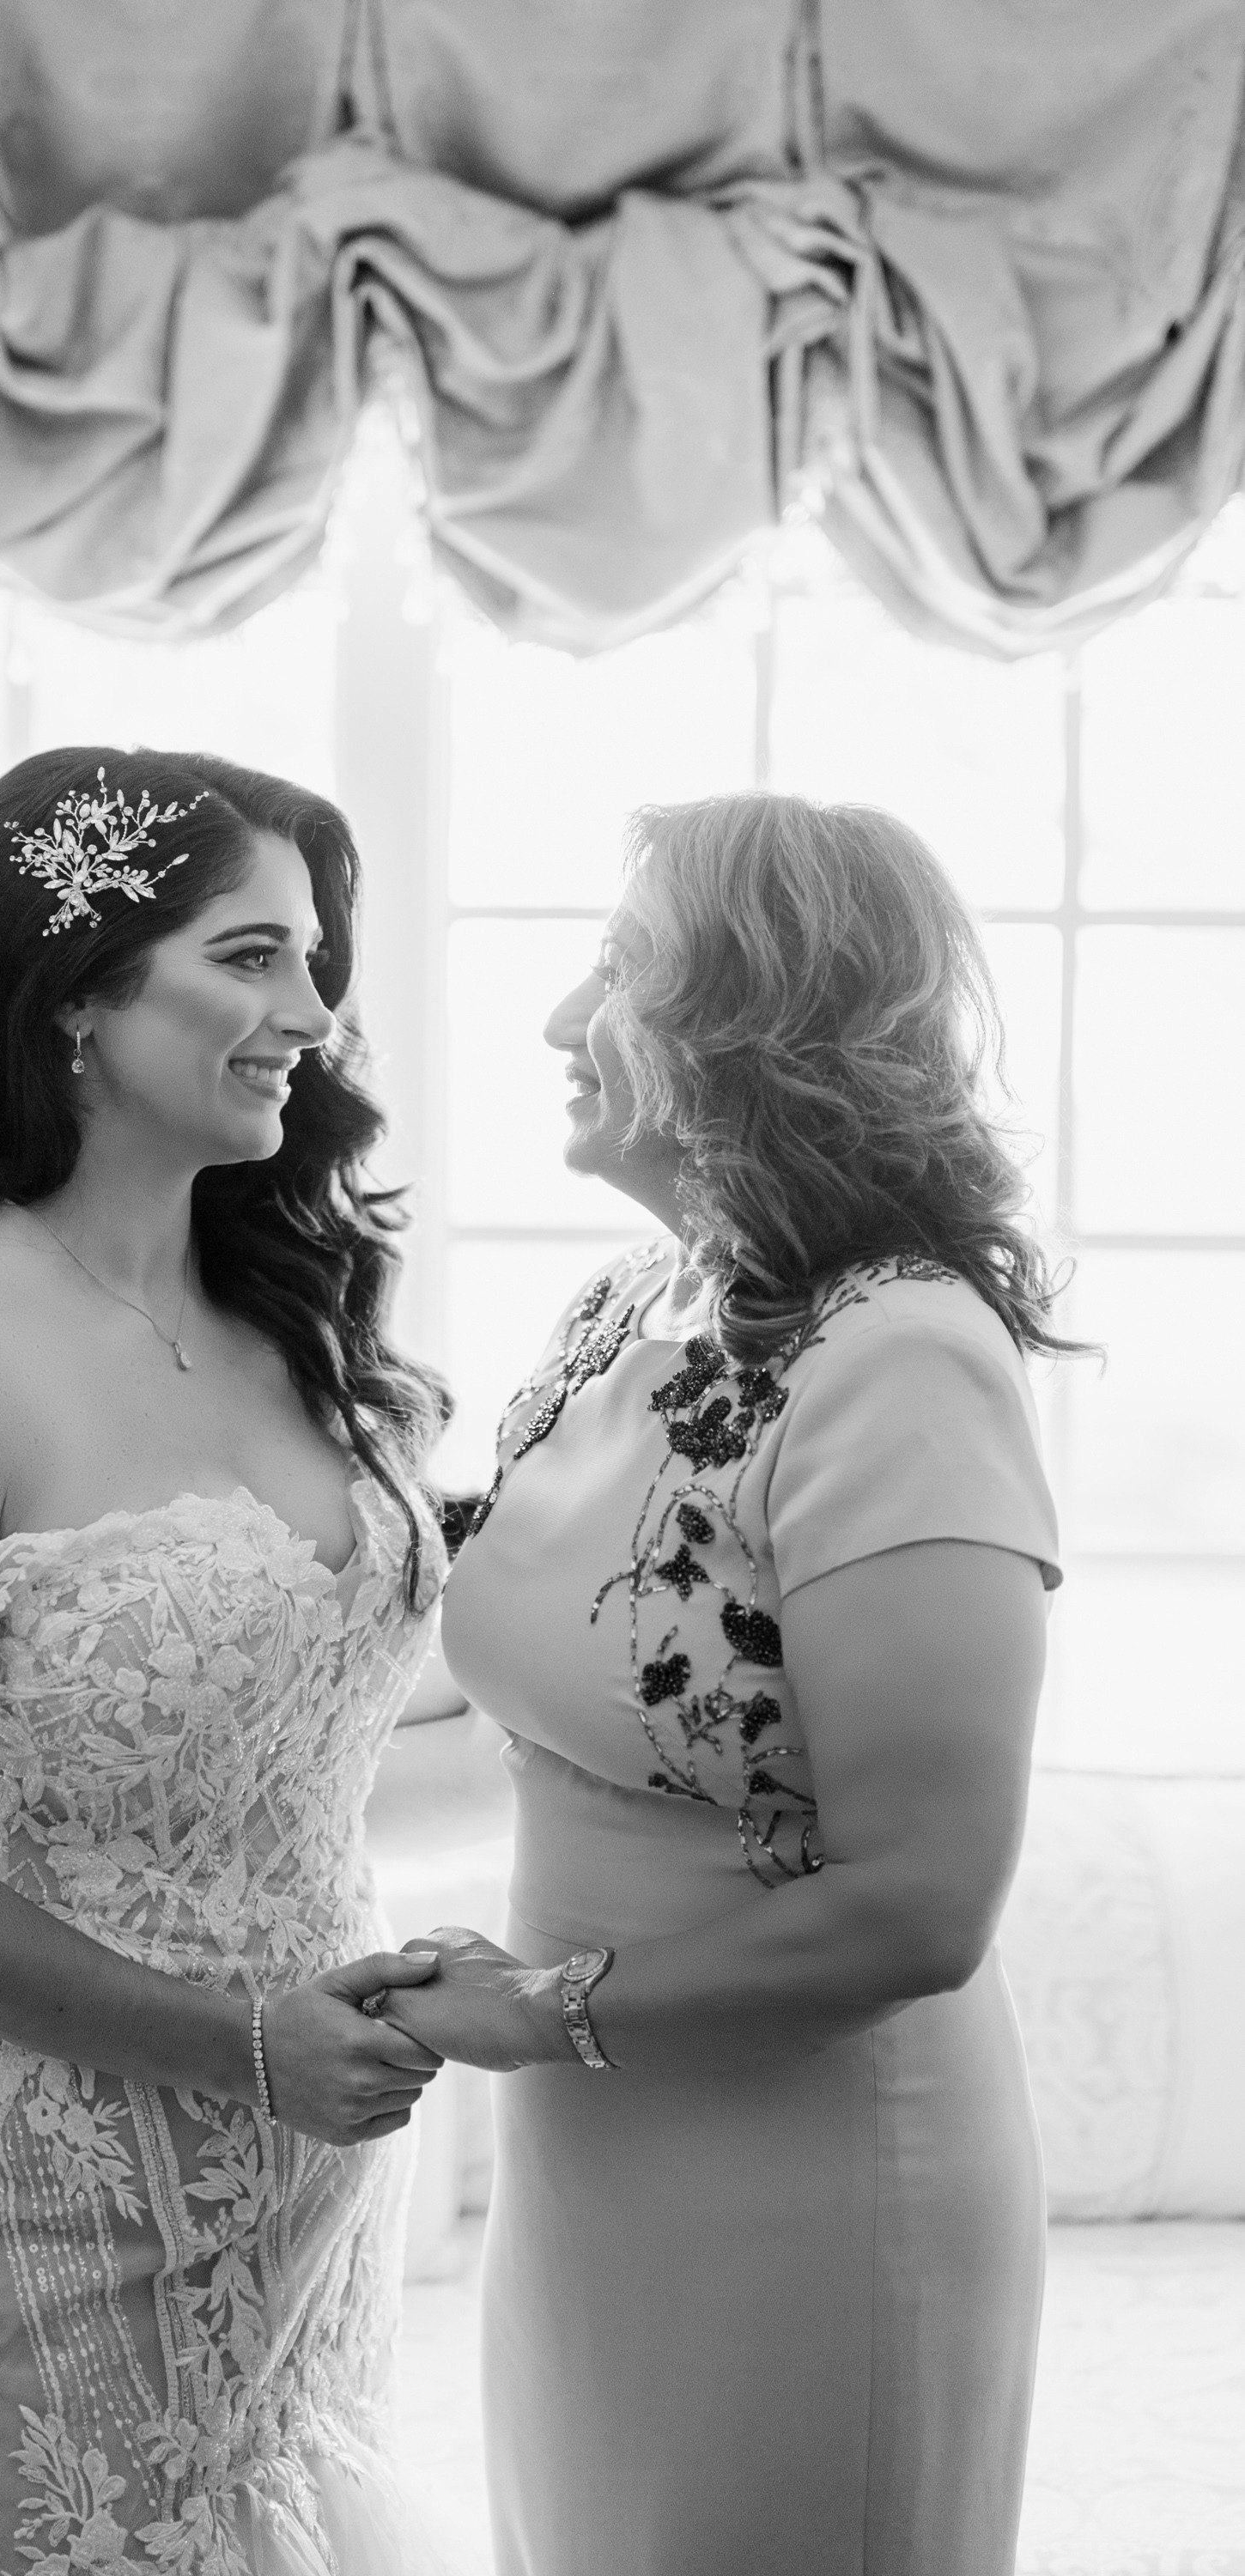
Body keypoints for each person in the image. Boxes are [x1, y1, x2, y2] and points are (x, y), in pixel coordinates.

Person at [0, 747, 452, 2576]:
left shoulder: (289, 1323)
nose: (311, 1014)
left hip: (317, 2156)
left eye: (314, 961)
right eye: (249, 957)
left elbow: (314, 1726)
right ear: (76, 996)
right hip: (56, 2169)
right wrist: (250, 2046)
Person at [386, 793, 1075, 2576]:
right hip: (593, 2152)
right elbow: (540, 1697)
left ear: (751, 1021)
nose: (561, 1019)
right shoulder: (630, 1304)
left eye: (617, 970)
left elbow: (918, 1905)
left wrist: (539, 2008)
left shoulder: (899, 1360)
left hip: (806, 2171)